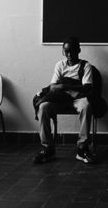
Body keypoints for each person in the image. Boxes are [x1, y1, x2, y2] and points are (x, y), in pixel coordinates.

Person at [33, 36, 95, 164]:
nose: (69, 54)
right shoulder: (60, 65)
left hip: (78, 99)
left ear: (78, 50)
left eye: (72, 51)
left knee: (86, 106)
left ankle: (82, 148)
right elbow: (53, 87)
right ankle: (48, 148)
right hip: (60, 99)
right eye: (66, 51)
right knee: (43, 107)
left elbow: (87, 88)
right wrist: (66, 88)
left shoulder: (86, 66)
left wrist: (64, 85)